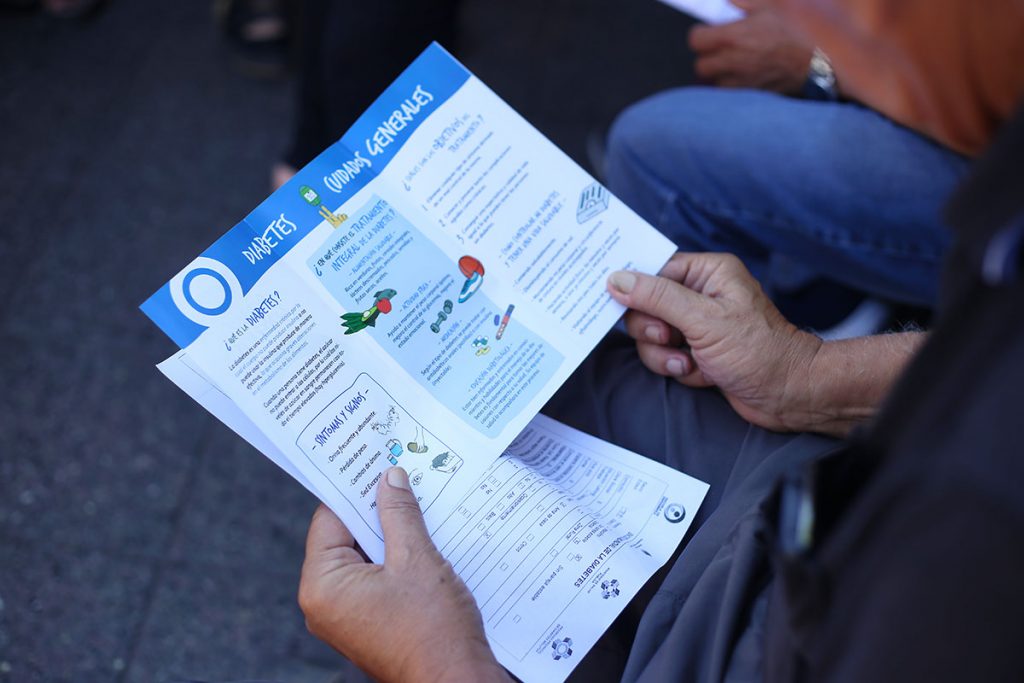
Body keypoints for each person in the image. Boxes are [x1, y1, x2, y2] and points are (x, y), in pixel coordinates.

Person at [295, 0, 1024, 681]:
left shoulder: (971, 530)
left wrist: (443, 667)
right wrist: (809, 376)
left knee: (423, 561)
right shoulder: (998, 246)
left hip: (774, 622)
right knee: (560, 401)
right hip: (822, 506)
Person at [605, 0, 971, 329]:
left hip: (987, 184)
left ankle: (808, 326)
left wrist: (822, 58)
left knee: (652, 151)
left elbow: (981, 91)